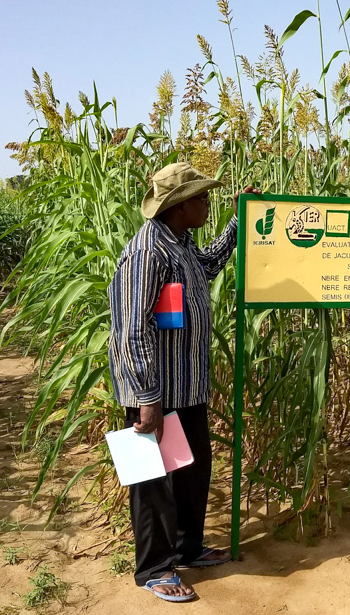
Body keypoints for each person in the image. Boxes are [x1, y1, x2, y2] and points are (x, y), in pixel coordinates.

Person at [108, 161, 258, 601]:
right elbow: (131, 329)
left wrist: (238, 219)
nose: (206, 202)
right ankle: (155, 569)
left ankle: (187, 547)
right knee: (153, 483)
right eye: (201, 198)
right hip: (155, 391)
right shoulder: (147, 253)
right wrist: (147, 399)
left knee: (192, 473)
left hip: (186, 386)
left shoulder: (180, 242)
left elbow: (208, 266)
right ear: (177, 207)